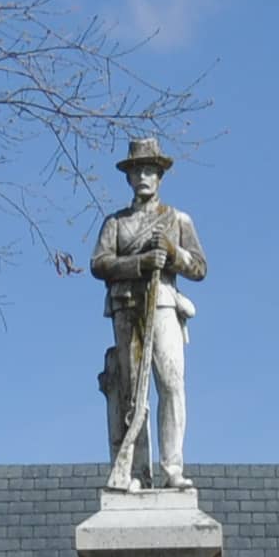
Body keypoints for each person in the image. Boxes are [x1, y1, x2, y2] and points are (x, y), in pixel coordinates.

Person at [88, 137, 206, 491]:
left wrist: (172, 253)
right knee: (133, 393)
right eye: (137, 170)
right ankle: (137, 471)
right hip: (127, 307)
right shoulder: (116, 223)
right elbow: (100, 263)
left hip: (164, 305)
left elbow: (199, 267)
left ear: (159, 177)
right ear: (129, 177)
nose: (143, 176)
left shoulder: (177, 219)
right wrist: (140, 263)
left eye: (149, 170)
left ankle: (172, 468)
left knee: (171, 384)